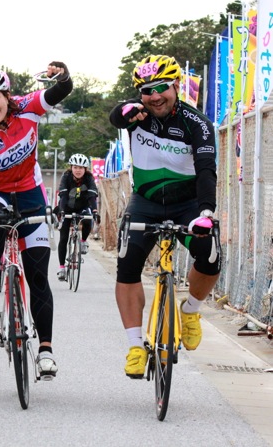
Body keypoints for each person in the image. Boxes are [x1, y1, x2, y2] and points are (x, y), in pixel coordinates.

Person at [0, 64, 73, 380]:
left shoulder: (28, 108)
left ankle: (45, 351)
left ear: (7, 96)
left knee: (37, 275)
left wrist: (63, 74)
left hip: (31, 193)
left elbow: (61, 90)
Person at [109, 54, 220, 378]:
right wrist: (124, 111)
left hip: (188, 204)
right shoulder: (137, 115)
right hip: (146, 202)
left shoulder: (196, 123)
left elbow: (206, 171)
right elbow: (117, 117)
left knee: (210, 255)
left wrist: (206, 213)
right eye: (146, 90)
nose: (155, 96)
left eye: (161, 88)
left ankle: (190, 311)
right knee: (127, 263)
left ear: (176, 86)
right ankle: (134, 346)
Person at [55, 153, 99, 281]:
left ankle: (84, 241)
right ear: (71, 168)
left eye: (81, 168)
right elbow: (62, 196)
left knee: (87, 218)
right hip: (67, 207)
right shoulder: (66, 176)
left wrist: (95, 211)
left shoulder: (89, 178)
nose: (78, 170)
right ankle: (62, 267)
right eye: (75, 167)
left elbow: (92, 196)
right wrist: (62, 211)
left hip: (82, 206)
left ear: (85, 169)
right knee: (63, 237)